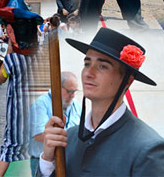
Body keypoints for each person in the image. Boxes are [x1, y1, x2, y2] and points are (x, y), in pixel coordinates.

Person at [37, 27, 164, 176]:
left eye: (103, 66)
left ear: (127, 81)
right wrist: (47, 159)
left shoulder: (146, 148)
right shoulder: (68, 138)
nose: (89, 73)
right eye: (87, 64)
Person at [0, 0, 43, 176]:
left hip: (17, 113)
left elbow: (0, 78)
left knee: (9, 146)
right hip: (38, 110)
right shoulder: (40, 56)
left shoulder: (12, 60)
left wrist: (8, 50)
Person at [28, 71, 81, 176]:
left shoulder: (76, 105)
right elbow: (38, 136)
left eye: (75, 91)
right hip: (42, 160)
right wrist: (68, 137)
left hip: (66, 159)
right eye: (70, 91)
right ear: (57, 87)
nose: (73, 95)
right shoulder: (41, 104)